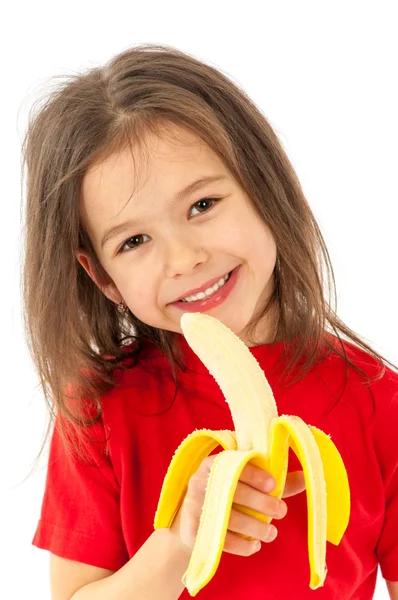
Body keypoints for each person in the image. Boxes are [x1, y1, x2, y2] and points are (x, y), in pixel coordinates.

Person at [22, 44, 398, 600]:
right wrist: (180, 541)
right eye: (134, 241)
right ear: (102, 277)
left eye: (202, 205)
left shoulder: (378, 401)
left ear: (263, 187)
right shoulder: (99, 408)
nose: (184, 259)